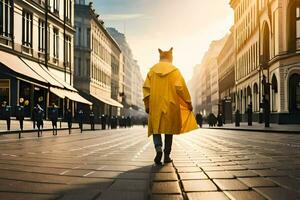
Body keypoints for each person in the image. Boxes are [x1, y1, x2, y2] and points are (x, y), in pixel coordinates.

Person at [143, 47, 198, 165]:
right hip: (171, 104)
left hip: (155, 104)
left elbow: (146, 89)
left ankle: (158, 149)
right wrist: (188, 102)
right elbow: (181, 88)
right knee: (169, 130)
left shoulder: (152, 70)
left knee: (156, 129)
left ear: (160, 57)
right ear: (171, 58)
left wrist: (147, 104)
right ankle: (167, 155)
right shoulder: (175, 71)